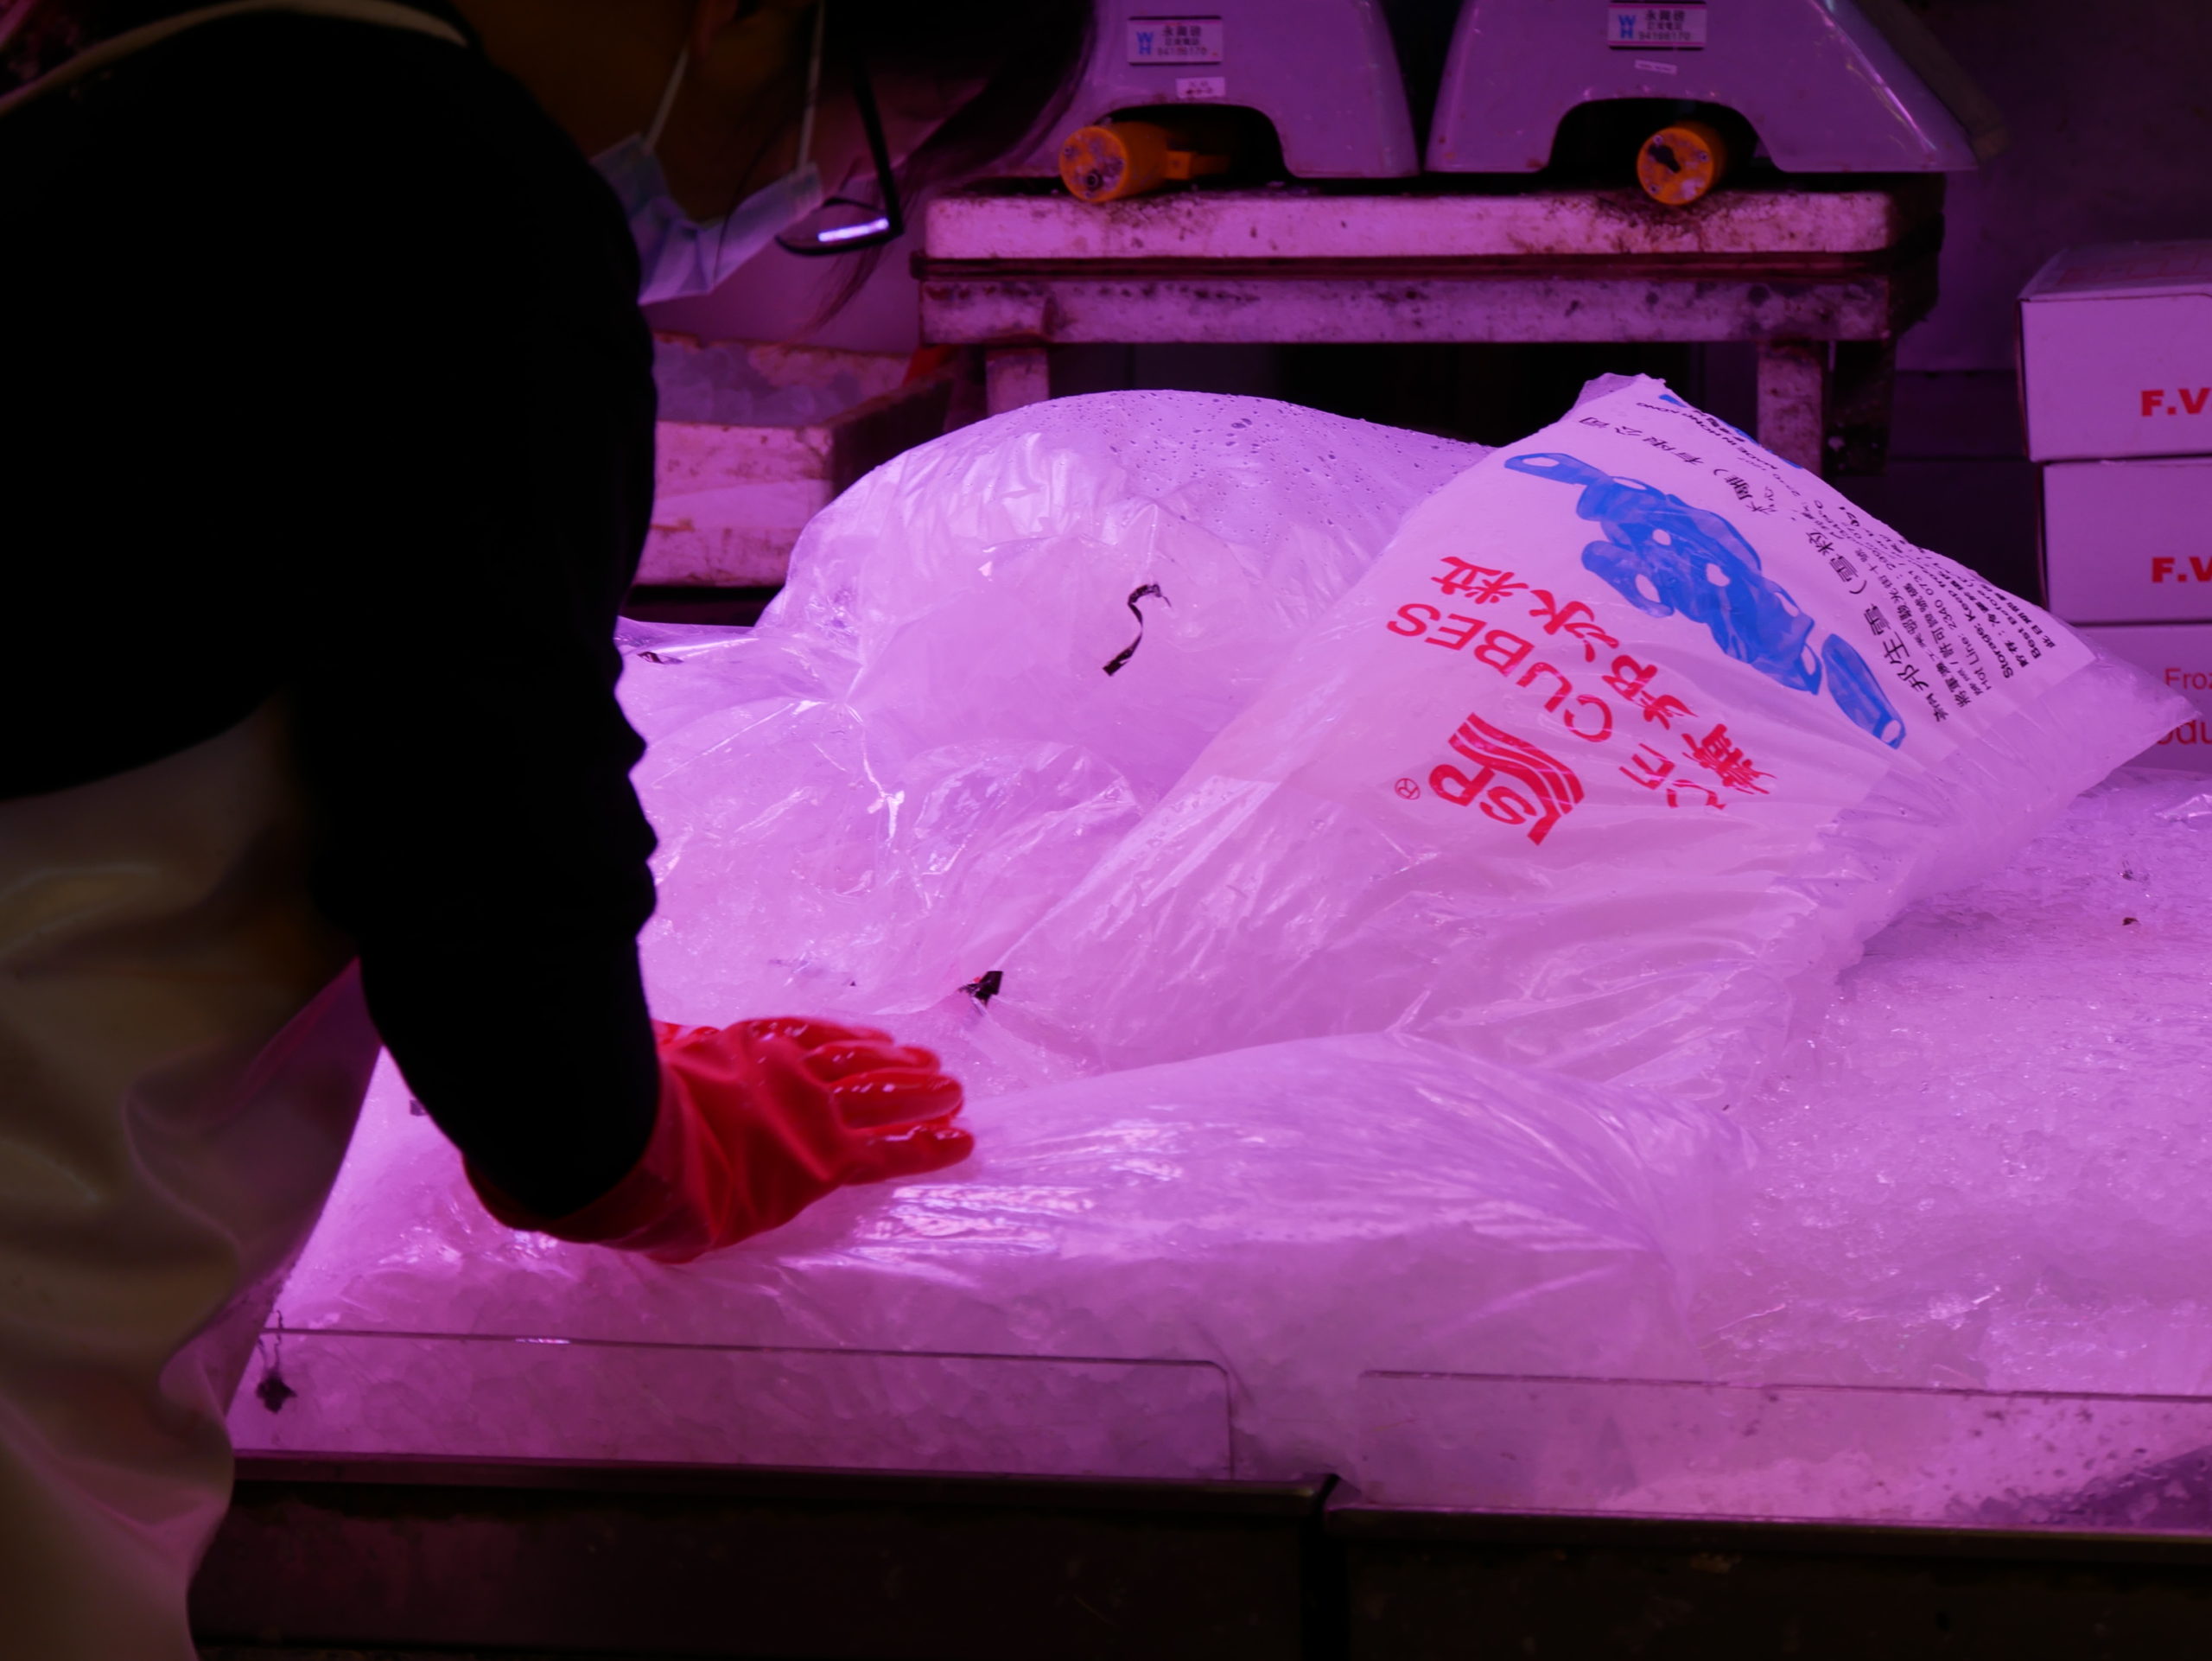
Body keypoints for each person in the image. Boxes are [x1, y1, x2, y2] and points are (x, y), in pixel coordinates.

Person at [0, 0, 1090, 1653]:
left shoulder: (114, 97)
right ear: (747, 13)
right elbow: (474, 790)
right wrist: (638, 1142)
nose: (792, 210)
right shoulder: (451, 189)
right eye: (853, 154)